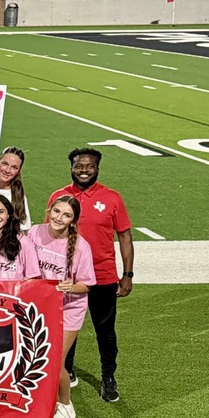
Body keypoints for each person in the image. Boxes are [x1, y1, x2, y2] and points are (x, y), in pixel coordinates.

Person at [47, 148, 133, 403]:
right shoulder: (59, 197)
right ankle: (66, 371)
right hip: (68, 280)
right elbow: (48, 235)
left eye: (89, 166)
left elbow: (125, 236)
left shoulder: (112, 198)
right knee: (65, 328)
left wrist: (127, 274)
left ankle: (108, 377)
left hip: (103, 277)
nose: (83, 170)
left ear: (97, 168)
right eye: (78, 165)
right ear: (71, 167)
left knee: (105, 331)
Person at [29, 196, 96, 418]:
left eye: (66, 215)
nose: (59, 218)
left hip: (68, 310)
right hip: (39, 306)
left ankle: (66, 405)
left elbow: (86, 284)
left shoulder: (80, 246)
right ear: (49, 210)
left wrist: (70, 286)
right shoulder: (34, 232)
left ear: (73, 220)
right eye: (56, 211)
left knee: (55, 361)